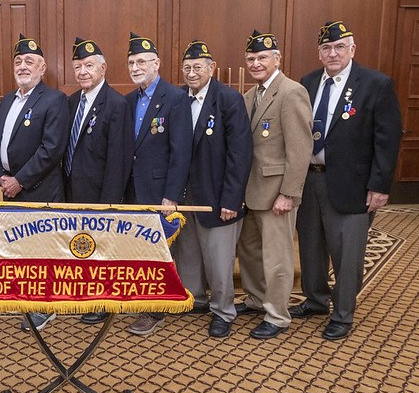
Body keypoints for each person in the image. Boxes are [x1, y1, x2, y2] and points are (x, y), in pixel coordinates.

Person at [290, 21, 402, 341]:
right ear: (319, 53)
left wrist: (379, 186)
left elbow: (388, 140)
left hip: (353, 186)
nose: (333, 53)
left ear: (352, 49)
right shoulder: (308, 82)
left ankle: (342, 313)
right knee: (311, 247)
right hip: (310, 181)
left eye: (340, 47)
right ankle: (315, 300)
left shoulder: (375, 84)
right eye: (326, 48)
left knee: (347, 253)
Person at [237, 31, 313, 339]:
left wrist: (289, 193)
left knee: (278, 256)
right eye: (251, 59)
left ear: (277, 59)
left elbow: (300, 148)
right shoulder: (249, 96)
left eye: (262, 58)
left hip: (276, 194)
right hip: (251, 191)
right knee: (250, 250)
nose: (256, 63)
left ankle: (278, 315)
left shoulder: (291, 92)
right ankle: (256, 299)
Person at [176, 40, 253, 338]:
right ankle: (196, 298)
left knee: (219, 259)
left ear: (212, 68)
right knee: (189, 251)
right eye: (187, 68)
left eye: (198, 67)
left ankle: (223, 310)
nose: (192, 73)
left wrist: (232, 199)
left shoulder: (229, 99)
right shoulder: (178, 98)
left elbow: (240, 154)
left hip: (219, 195)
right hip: (186, 193)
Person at [0, 34, 70, 331]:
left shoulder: (54, 99)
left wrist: (19, 181)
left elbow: (52, 150)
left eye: (29, 62)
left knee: (43, 252)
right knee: (22, 250)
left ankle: (45, 308)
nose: (23, 66)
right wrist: (1, 173)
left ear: (42, 68)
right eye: (18, 62)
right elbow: (1, 142)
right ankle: (29, 299)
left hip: (40, 191)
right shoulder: (9, 100)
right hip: (11, 189)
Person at [121, 32, 192, 335]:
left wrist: (172, 195)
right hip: (133, 191)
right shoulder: (129, 100)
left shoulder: (175, 98)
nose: (135, 67)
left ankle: (156, 309)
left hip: (160, 193)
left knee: (158, 252)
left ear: (157, 63)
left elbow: (181, 152)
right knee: (138, 249)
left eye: (141, 62)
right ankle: (142, 298)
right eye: (131, 63)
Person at [64, 37, 133, 325]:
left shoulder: (117, 104)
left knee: (101, 250)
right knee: (81, 248)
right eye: (78, 66)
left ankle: (102, 301)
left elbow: (119, 161)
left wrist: (109, 203)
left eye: (89, 65)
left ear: (103, 68)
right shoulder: (70, 102)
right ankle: (83, 295)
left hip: (100, 195)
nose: (82, 71)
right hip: (71, 191)